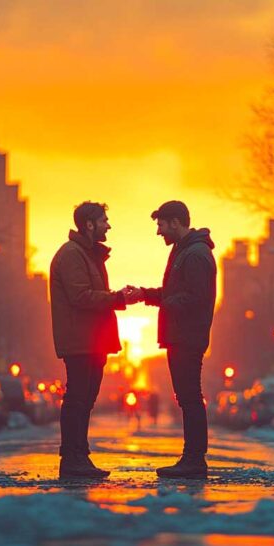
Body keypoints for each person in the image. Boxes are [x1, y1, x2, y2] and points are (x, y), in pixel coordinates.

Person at [49, 201, 136, 478]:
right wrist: (117, 298)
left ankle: (80, 457)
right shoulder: (73, 255)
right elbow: (80, 296)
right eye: (103, 220)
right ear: (89, 224)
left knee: (85, 399)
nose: (108, 225)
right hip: (80, 341)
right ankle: (72, 458)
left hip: (91, 340)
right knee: (77, 398)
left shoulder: (87, 254)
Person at [130, 200, 216, 479]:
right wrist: (145, 294)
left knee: (190, 397)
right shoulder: (185, 252)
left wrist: (163, 302)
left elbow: (195, 297)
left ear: (176, 223)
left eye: (161, 225)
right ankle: (191, 458)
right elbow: (176, 292)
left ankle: (194, 460)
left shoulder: (194, 255)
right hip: (181, 335)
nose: (159, 232)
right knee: (187, 397)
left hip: (187, 336)